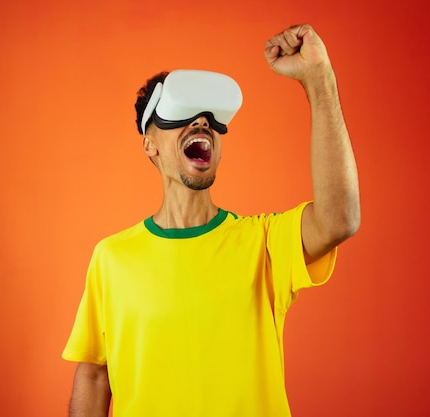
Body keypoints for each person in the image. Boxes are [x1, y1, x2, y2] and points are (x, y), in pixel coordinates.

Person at [62, 23, 360, 417]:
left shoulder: (263, 243)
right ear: (149, 144)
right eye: (181, 114)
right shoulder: (111, 259)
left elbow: (340, 219)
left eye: (210, 118)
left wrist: (319, 79)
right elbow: (95, 375)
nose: (201, 123)